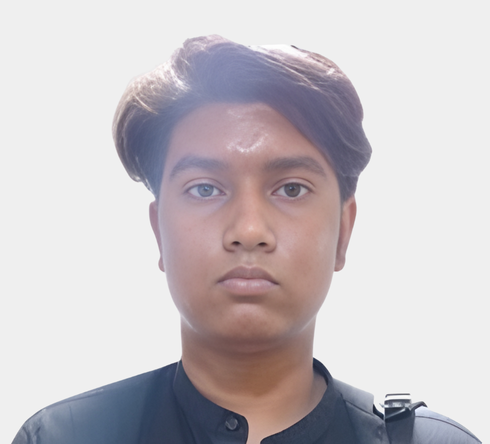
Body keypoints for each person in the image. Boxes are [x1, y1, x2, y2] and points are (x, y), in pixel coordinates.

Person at [12, 35, 480, 444]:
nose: (249, 231)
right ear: (159, 231)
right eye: (205, 189)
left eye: (291, 189)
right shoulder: (67, 436)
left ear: (343, 231)